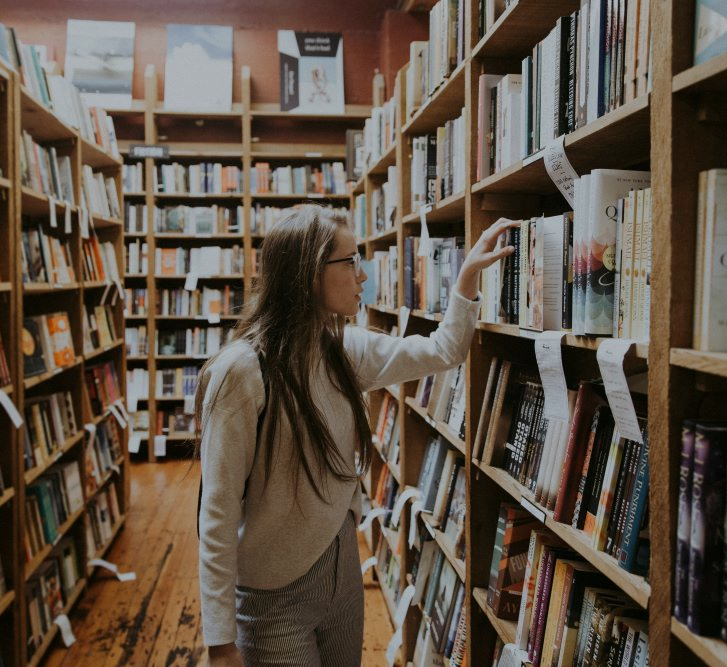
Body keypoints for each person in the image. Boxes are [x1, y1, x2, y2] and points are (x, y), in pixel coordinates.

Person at [196, 205, 514, 666]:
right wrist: (220, 642)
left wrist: (464, 281)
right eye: (350, 261)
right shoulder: (242, 372)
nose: (363, 274)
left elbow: (443, 350)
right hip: (273, 595)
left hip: (342, 569)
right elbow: (218, 510)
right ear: (309, 275)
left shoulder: (345, 349)